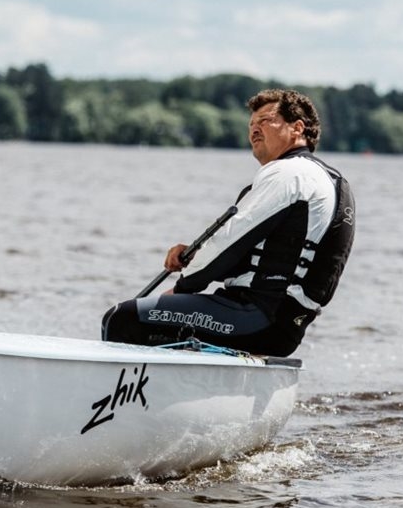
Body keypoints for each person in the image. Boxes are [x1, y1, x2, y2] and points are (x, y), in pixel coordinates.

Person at [101, 89, 355, 357]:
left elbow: (230, 242)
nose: (254, 129)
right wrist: (195, 255)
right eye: (251, 124)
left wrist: (183, 286)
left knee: (123, 318)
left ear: (297, 128)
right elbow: (271, 255)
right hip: (283, 326)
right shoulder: (333, 182)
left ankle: (116, 383)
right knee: (164, 320)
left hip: (256, 315)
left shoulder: (289, 173)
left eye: (265, 121)